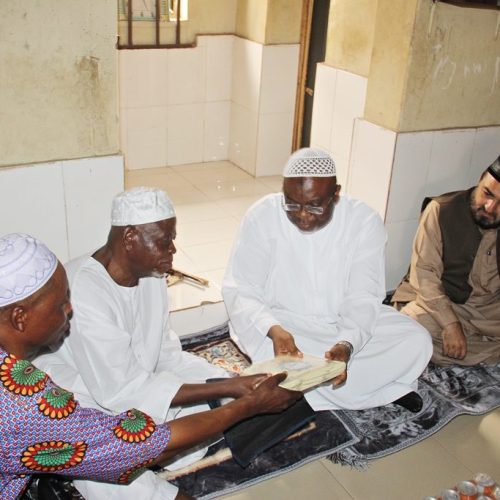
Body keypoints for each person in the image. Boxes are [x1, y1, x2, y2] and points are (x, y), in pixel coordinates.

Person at [34, 187, 293, 499]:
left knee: (224, 404)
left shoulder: (151, 277)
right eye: (164, 240)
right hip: (81, 394)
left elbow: (166, 355)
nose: (172, 249)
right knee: (112, 467)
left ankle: (152, 452)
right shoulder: (85, 291)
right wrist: (229, 392)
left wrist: (230, 382)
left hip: (131, 386)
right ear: (129, 238)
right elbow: (120, 391)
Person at [222, 148, 432, 413]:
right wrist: (273, 328)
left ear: (336, 194)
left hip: (340, 321)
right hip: (282, 325)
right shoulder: (262, 215)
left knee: (416, 339)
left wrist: (346, 344)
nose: (302, 215)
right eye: (292, 204)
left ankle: (308, 392)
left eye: (314, 205)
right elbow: (241, 287)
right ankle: (382, 389)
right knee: (272, 354)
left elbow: (363, 296)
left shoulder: (364, 221)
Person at [392, 156, 500, 366]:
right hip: (442, 302)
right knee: (408, 330)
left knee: (420, 343)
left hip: (488, 311)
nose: (489, 206)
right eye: (487, 193)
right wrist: (450, 324)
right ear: (480, 181)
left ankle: (460, 348)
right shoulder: (441, 210)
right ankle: (479, 348)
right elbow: (424, 274)